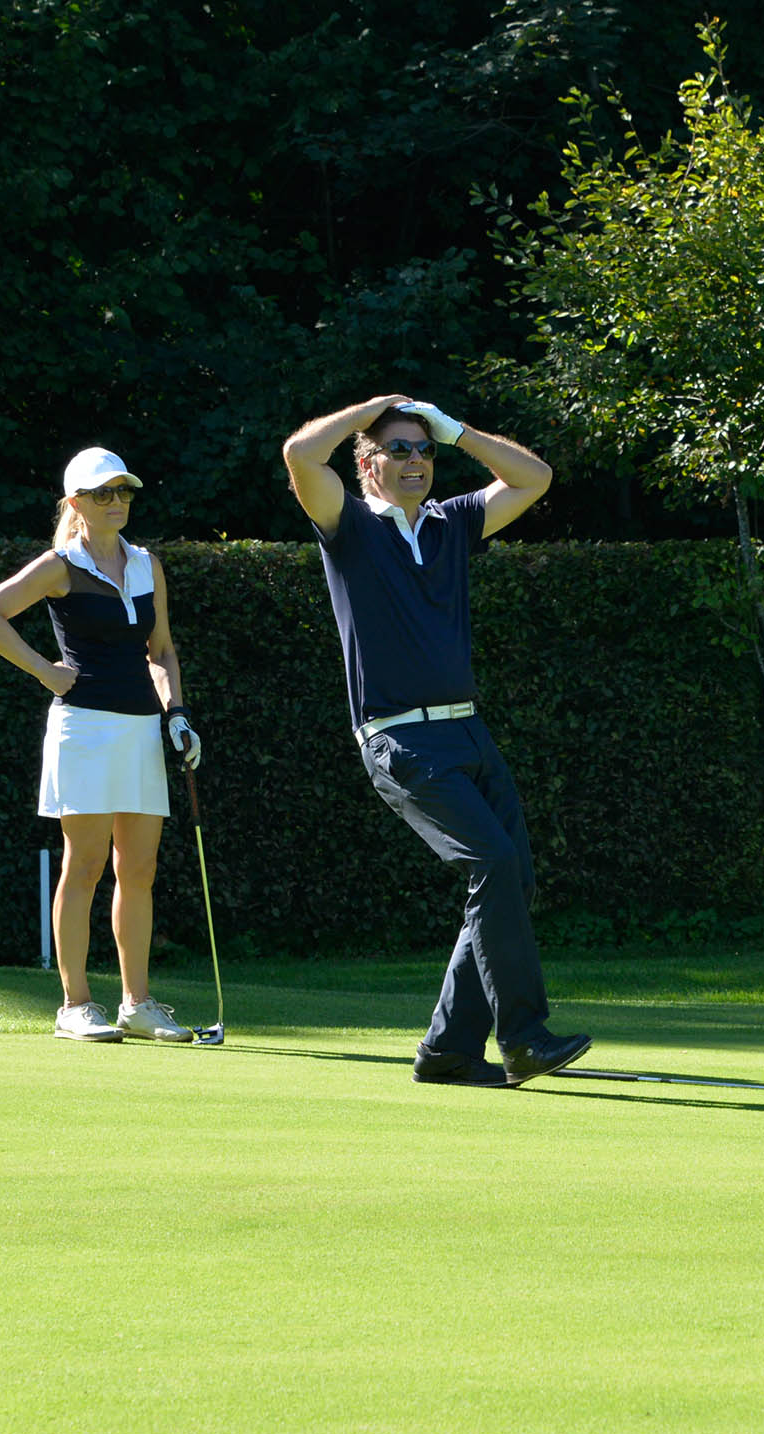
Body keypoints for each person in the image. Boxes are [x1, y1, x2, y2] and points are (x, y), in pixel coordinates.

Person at [282, 395, 592, 1088]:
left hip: (469, 732)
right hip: (400, 740)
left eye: (424, 450)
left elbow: (534, 478)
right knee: (493, 862)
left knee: (513, 875)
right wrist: (373, 407)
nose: (416, 460)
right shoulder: (348, 524)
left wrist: (457, 431)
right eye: (399, 449)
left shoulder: (453, 522)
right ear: (368, 464)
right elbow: (300, 455)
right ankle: (523, 1037)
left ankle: (449, 1050)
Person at [0, 446, 205, 1044]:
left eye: (123, 491)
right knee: (86, 864)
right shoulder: (60, 566)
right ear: (75, 503)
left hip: (140, 729)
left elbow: (161, 649)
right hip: (84, 730)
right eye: (103, 493)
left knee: (139, 869)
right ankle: (74, 1005)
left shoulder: (147, 565)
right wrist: (45, 671)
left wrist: (176, 712)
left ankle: (137, 1004)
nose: (116, 502)